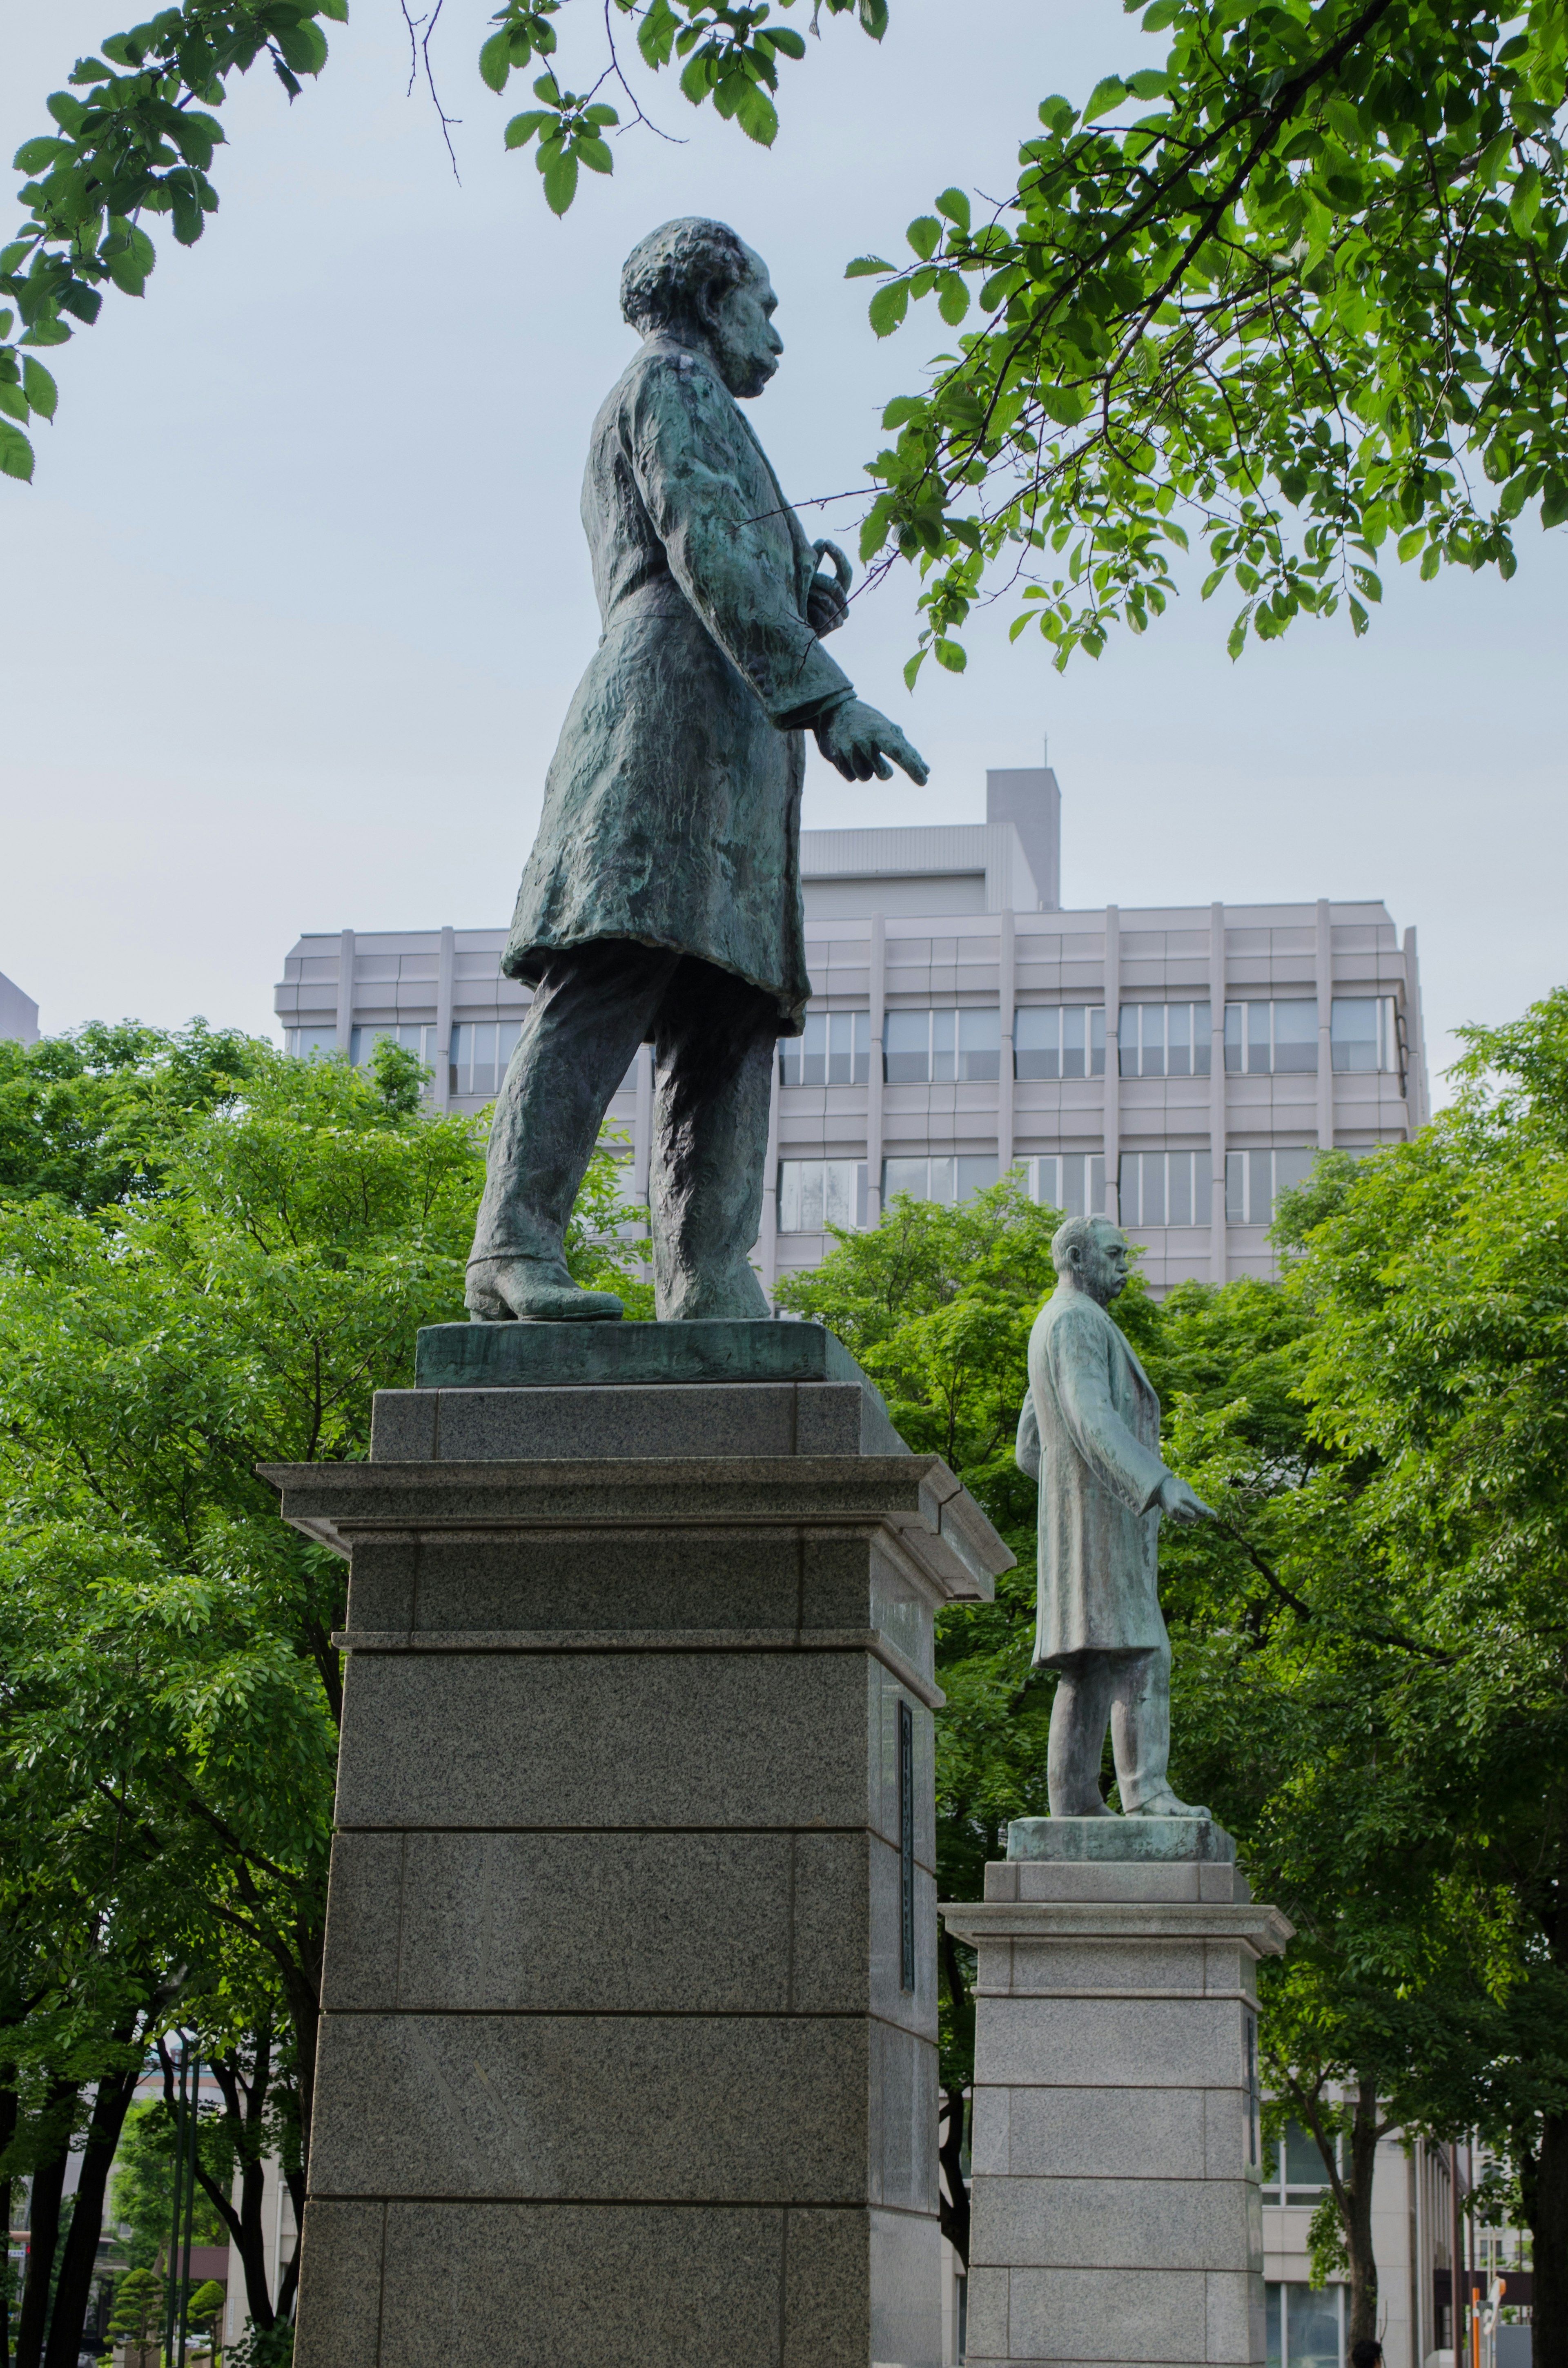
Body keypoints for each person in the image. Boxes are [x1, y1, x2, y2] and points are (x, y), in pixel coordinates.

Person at [465, 216, 928, 1322]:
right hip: (665, 710)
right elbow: (702, 546)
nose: (775, 334)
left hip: (730, 731)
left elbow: (731, 555)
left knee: (728, 1003)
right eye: (765, 306)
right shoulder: (669, 384)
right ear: (716, 299)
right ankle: (512, 1247)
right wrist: (827, 693)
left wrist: (802, 613)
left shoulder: (705, 402)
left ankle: (712, 1273)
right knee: (611, 968)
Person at [1016, 1213, 1215, 1817]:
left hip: (1077, 1520)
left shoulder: (1049, 1322)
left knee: (1090, 1663)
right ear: (1077, 1258)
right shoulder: (1077, 1319)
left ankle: (1073, 1803)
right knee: (1142, 1651)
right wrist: (1155, 1482)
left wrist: (1067, 1491)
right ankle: (1146, 1793)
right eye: (1114, 1253)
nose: (1125, 1264)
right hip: (1101, 1520)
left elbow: (1030, 1447)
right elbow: (1091, 1415)